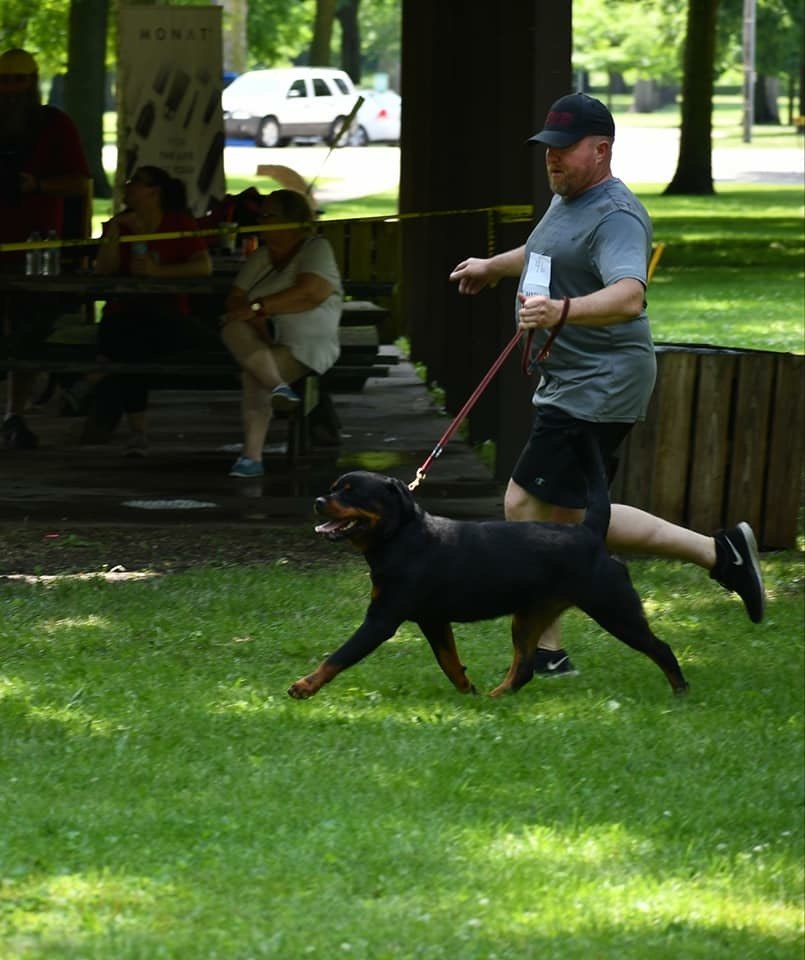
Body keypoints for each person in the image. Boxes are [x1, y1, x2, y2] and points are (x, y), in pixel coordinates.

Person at [449, 92, 765, 676]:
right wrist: (494, 267)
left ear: (602, 150)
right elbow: (545, 248)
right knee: (572, 518)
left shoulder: (617, 214)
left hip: (600, 381)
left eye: (564, 150)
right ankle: (720, 554)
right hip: (574, 376)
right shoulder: (567, 198)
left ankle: (547, 652)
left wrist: (560, 311)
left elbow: (629, 295)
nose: (552, 159)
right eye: (548, 149)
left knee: (526, 503)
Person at [75, 165, 212, 455]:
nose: (127, 187)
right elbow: (104, 271)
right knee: (130, 342)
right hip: (123, 316)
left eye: (135, 182)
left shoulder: (178, 222)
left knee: (130, 346)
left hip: (167, 316)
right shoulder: (121, 224)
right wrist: (113, 231)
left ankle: (98, 378)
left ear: (154, 191)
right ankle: (136, 433)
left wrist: (159, 272)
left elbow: (204, 266)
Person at [0, 47, 91, 449]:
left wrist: (36, 186)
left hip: (36, 250)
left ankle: (15, 413)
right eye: (4, 82)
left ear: (33, 82)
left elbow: (78, 183)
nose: (12, 90)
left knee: (27, 335)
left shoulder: (55, 125)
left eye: (19, 81)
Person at [219, 188, 342, 478]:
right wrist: (253, 317)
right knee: (231, 326)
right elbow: (235, 300)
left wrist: (259, 308)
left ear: (292, 221)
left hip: (305, 347)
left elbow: (311, 292)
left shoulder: (316, 248)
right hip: (262, 342)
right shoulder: (262, 256)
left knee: (253, 374)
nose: (260, 220)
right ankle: (278, 387)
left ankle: (252, 457)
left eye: (268, 215)